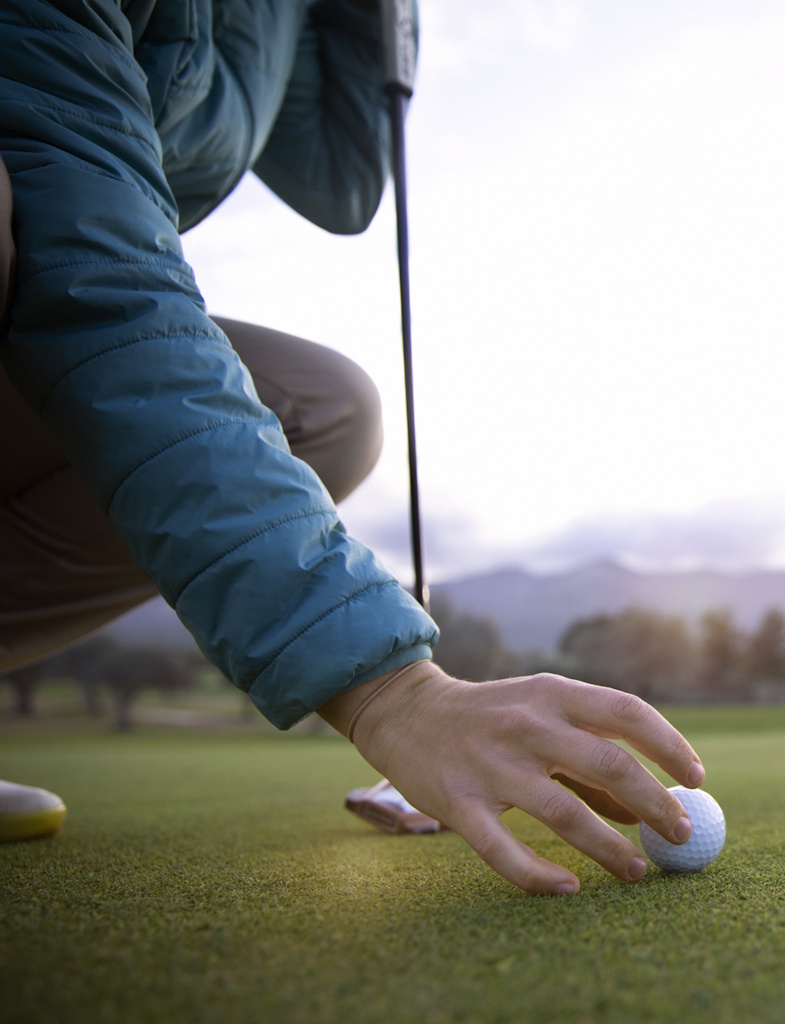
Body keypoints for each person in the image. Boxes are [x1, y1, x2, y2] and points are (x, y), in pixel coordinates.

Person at [0, 0, 704, 893]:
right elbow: (93, 269)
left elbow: (344, 186)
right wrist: (392, 691)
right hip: (62, 255)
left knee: (329, 409)